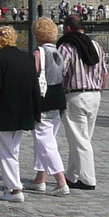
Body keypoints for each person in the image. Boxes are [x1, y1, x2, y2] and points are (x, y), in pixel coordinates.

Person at [0, 24, 40, 202]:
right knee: (13, 149)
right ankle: (11, 184)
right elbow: (35, 86)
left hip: (5, 110)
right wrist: (36, 113)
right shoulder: (26, 58)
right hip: (24, 109)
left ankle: (14, 189)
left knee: (6, 151)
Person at [58, 16, 108, 190]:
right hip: (94, 95)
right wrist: (98, 90)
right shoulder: (96, 46)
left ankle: (88, 179)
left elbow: (60, 72)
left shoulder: (67, 46)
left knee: (79, 139)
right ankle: (72, 176)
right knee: (81, 138)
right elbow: (105, 73)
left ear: (68, 28)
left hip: (75, 95)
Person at [26, 18, 70, 196]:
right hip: (58, 98)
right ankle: (40, 178)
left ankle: (61, 181)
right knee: (47, 139)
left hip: (44, 99)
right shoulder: (58, 52)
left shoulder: (39, 53)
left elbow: (32, 77)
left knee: (45, 141)